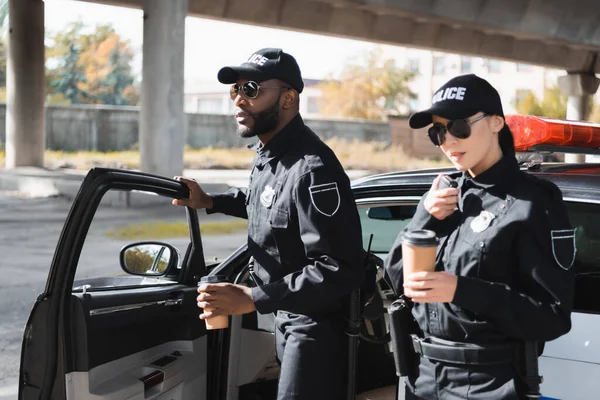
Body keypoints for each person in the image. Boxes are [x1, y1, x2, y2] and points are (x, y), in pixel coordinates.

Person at [173, 48, 364, 399]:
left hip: (315, 331)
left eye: (251, 89)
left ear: (289, 98)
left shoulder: (313, 168)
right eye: (235, 91)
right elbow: (265, 204)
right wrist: (210, 201)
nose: (239, 101)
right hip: (286, 319)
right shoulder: (271, 157)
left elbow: (340, 268)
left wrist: (253, 298)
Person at [384, 74, 576, 400]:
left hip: (487, 382)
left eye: (458, 127)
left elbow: (551, 316)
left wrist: (461, 289)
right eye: (438, 132)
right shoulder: (443, 195)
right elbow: (397, 277)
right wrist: (423, 217)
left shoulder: (532, 202)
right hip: (423, 376)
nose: (448, 141)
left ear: (497, 122)